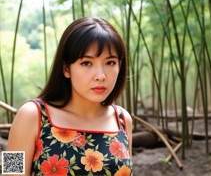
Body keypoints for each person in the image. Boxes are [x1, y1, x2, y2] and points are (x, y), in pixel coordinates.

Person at [7, 17, 132, 176]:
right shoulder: (29, 115)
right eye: (86, 63)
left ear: (120, 66)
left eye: (110, 63)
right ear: (66, 68)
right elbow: (9, 172)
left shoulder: (122, 119)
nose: (100, 76)